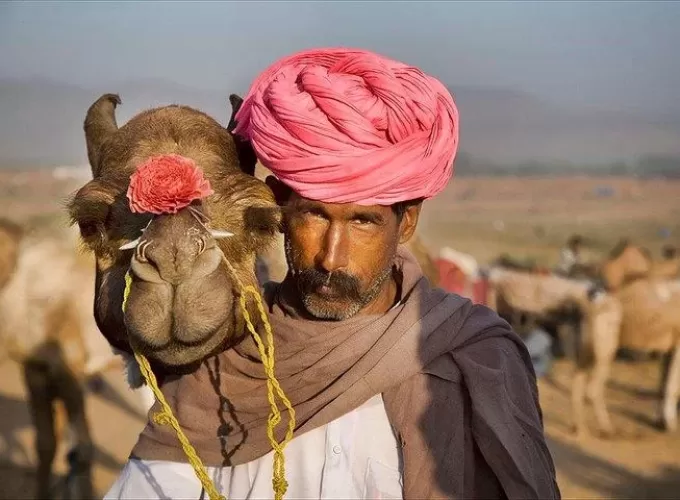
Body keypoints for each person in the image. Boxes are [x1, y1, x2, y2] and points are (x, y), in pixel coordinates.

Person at [106, 48, 560, 499]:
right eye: (314, 217)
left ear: (408, 222)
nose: (330, 257)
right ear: (279, 205)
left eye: (363, 221)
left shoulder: (473, 355)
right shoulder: (225, 357)